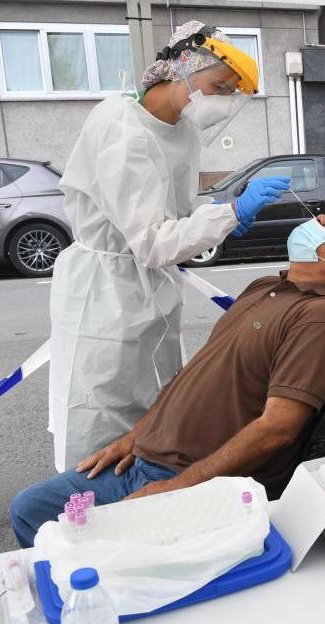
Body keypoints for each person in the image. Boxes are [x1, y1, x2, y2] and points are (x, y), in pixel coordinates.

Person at [12, 215, 325, 547]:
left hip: (188, 480)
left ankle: (104, 606)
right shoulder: (265, 286)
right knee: (31, 510)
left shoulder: (322, 319)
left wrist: (175, 490)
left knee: (99, 557)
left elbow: (278, 428)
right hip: (144, 458)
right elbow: (197, 372)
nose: (319, 216)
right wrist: (137, 434)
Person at [48, 21, 291, 473]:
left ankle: (146, 504)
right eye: (218, 87)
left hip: (151, 290)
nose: (221, 102)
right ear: (181, 70)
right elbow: (152, 241)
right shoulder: (122, 130)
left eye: (229, 94)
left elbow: (171, 215)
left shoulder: (180, 130)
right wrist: (229, 214)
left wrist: (216, 220)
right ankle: (85, 518)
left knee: (157, 410)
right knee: (101, 417)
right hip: (105, 294)